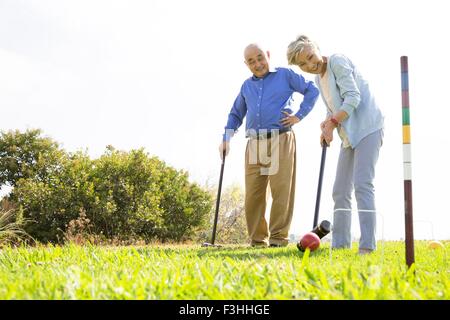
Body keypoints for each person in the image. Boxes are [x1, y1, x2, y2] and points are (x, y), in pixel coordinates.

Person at [287, 35, 384, 254]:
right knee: (340, 190)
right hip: (349, 135)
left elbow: (352, 97)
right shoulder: (317, 80)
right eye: (303, 64)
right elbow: (334, 106)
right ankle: (340, 246)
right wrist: (326, 126)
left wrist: (332, 123)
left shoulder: (337, 61)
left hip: (368, 128)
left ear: (317, 48)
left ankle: (367, 246)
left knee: (362, 184)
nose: (310, 64)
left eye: (311, 57)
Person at [219, 43, 319, 247]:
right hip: (254, 142)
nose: (257, 64)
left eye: (260, 57)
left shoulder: (285, 75)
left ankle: (278, 239)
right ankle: (257, 240)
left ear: (268, 55)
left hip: (280, 138)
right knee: (254, 195)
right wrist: (226, 138)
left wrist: (299, 116)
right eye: (251, 61)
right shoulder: (247, 86)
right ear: (246, 64)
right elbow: (236, 114)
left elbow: (312, 91)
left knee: (281, 191)